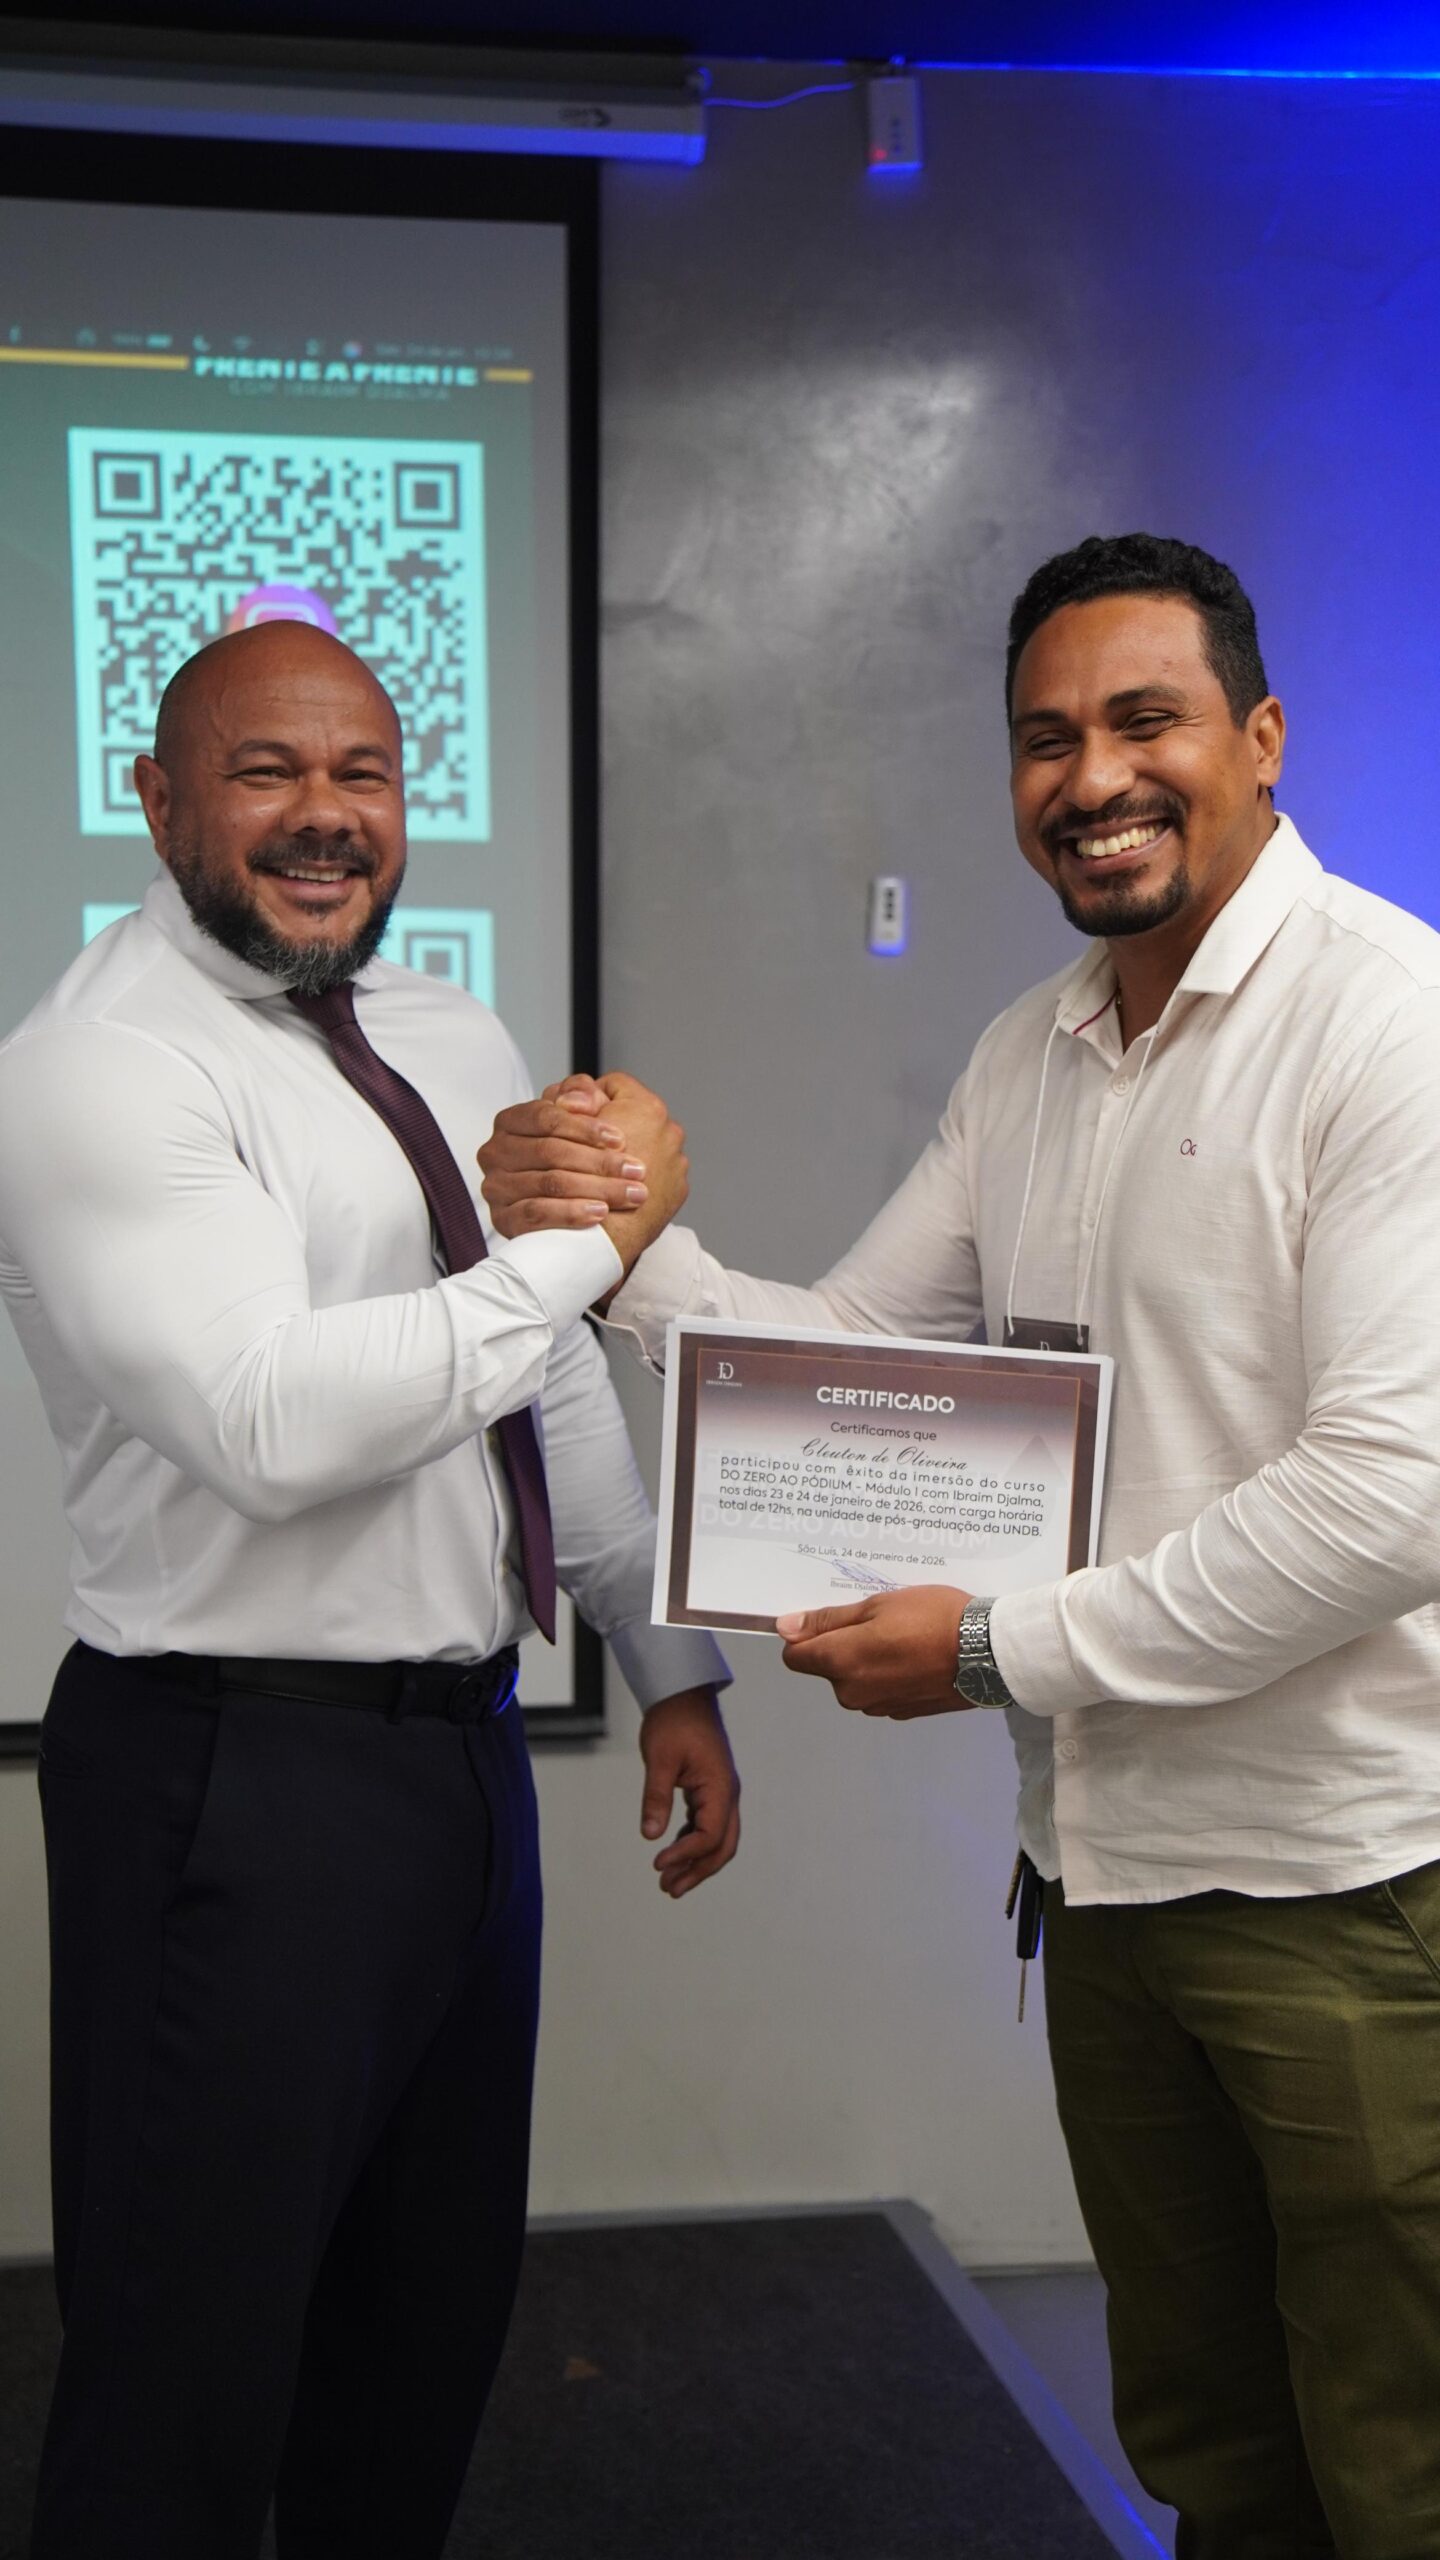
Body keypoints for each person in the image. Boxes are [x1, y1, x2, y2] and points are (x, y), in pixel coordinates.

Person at [478, 533, 1440, 2559]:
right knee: (1215, 2457)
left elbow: (1392, 1493)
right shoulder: (1034, 1053)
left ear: (1264, 738)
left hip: (1350, 1899)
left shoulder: (1390, 1023)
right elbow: (848, 1359)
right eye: (1044, 738)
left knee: (1403, 2462)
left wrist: (1001, 1646)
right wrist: (622, 1244)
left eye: (1145, 720)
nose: (1092, 776)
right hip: (1105, 1883)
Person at [0, 618, 739, 2560]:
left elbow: (537, 1376)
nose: (324, 816)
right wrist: (591, 1247)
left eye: (364, 775)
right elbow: (268, 1420)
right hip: (229, 1775)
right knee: (180, 2381)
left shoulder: (448, 1031)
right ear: (160, 801)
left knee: (419, 2344)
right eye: (266, 772)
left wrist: (664, 1657)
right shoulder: (93, 1067)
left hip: (456, 1771)